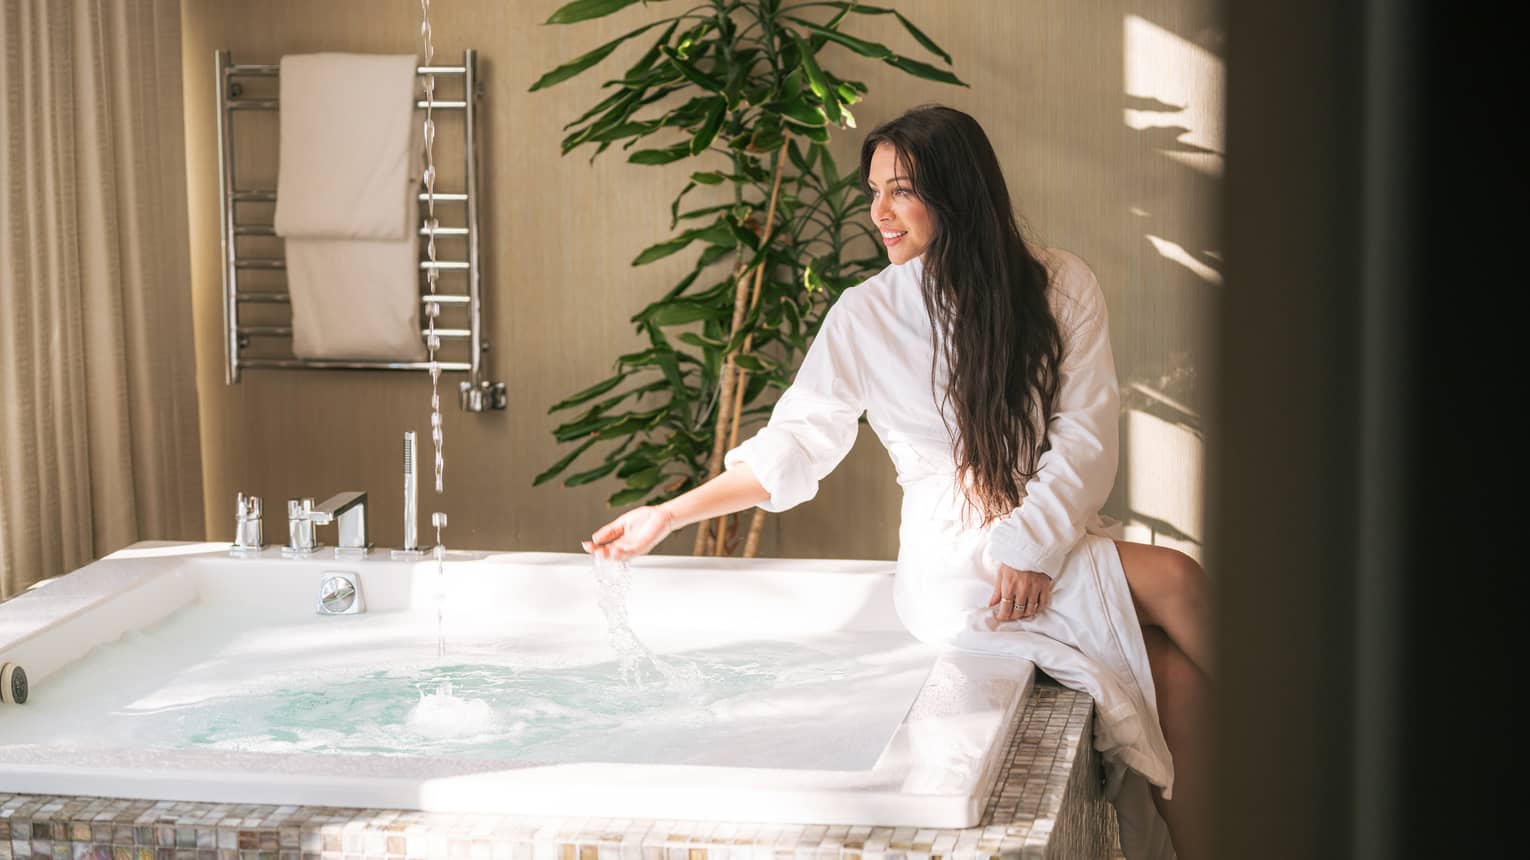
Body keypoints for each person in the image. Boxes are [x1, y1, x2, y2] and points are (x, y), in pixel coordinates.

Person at [584, 105, 1212, 860]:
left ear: (957, 195)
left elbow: (1085, 436)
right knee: (1177, 575)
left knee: (1177, 680)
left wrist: (1033, 543)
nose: (878, 212)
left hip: (1042, 539)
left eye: (902, 191)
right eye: (873, 190)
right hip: (958, 570)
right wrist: (669, 513)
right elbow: (793, 446)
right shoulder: (866, 316)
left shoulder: (1060, 284)